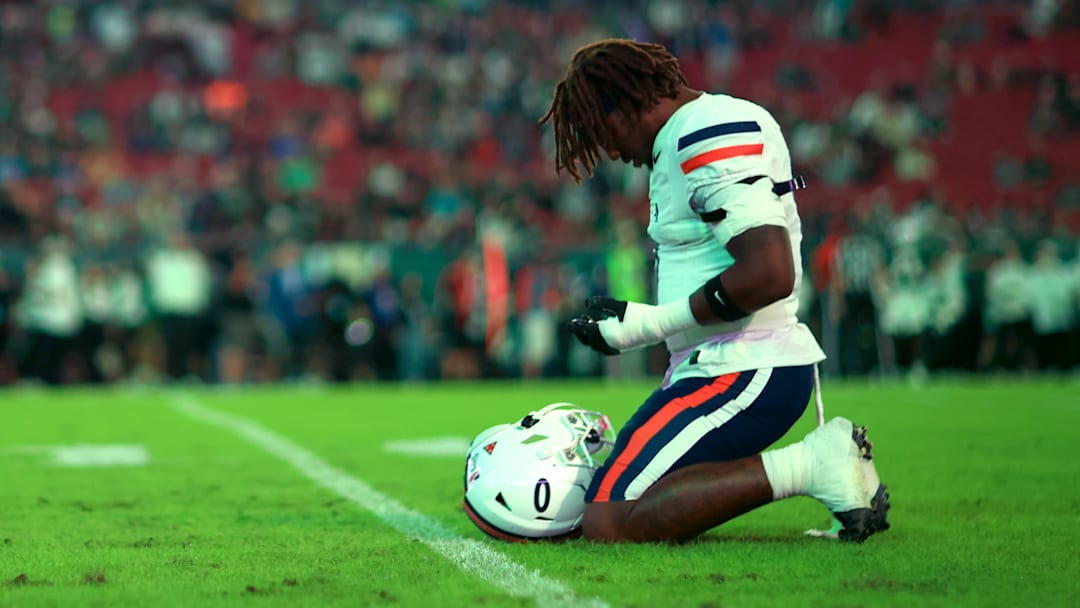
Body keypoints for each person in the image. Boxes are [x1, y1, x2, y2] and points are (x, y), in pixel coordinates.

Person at [539, 39, 889, 543]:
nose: (612, 151)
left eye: (604, 130)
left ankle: (815, 464)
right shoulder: (685, 134)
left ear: (628, 98)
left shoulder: (704, 127)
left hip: (744, 369)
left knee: (609, 519)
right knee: (616, 494)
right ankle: (818, 467)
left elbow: (770, 273)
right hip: (721, 367)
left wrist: (651, 324)